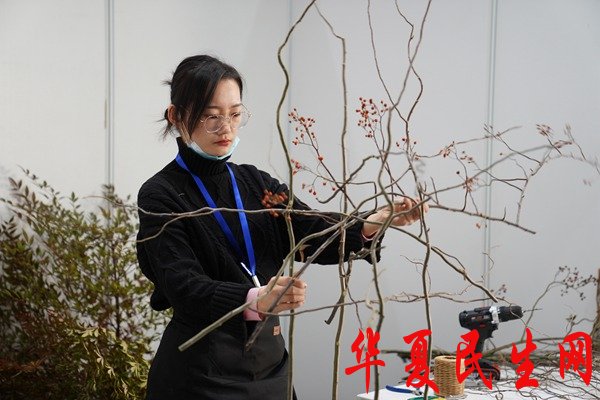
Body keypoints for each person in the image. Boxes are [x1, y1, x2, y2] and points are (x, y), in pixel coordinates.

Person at [136, 54, 427, 400]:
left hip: (269, 365)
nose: (226, 128)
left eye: (235, 114)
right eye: (211, 116)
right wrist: (256, 299)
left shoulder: (254, 183)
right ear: (176, 116)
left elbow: (313, 232)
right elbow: (183, 285)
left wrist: (370, 223)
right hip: (200, 373)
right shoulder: (161, 194)